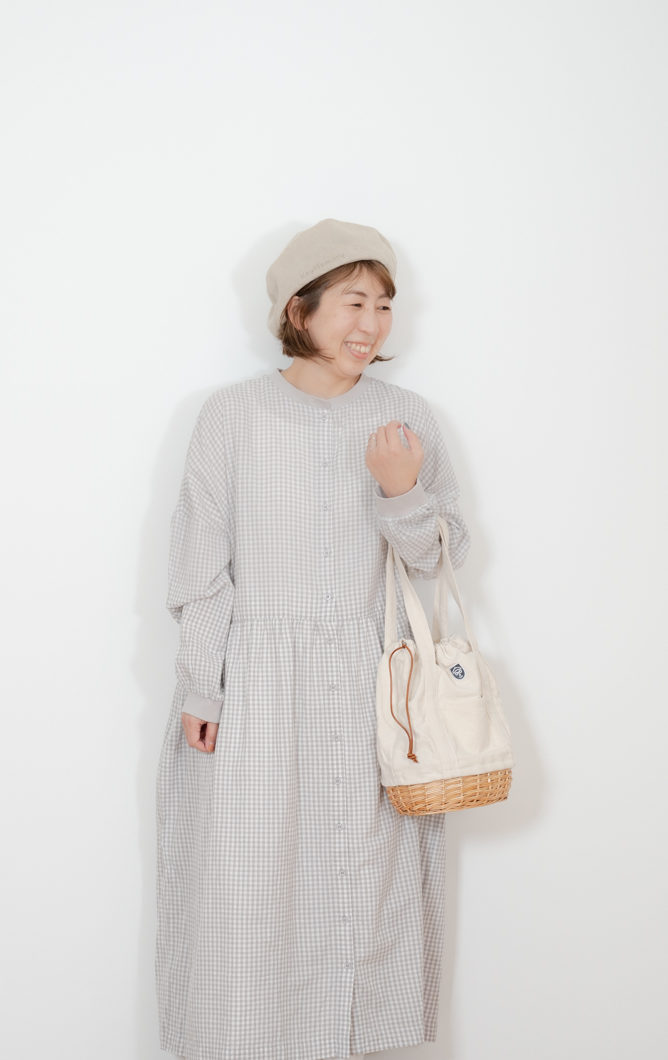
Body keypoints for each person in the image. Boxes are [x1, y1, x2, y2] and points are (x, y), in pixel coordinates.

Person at [156, 218, 470, 1060]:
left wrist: (401, 492)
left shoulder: (405, 418)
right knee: (248, 886)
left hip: (374, 692)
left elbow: (441, 559)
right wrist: (202, 684)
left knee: (366, 885)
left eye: (383, 306)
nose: (371, 324)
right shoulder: (232, 416)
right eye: (352, 302)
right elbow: (201, 566)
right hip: (254, 688)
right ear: (299, 309)